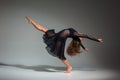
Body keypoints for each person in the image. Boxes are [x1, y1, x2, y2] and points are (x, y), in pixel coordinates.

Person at [26, 17, 103, 73]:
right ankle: (32, 22)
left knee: (60, 55)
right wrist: (83, 47)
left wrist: (97, 40)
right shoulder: (76, 35)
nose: (81, 37)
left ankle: (69, 67)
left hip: (61, 39)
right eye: (81, 38)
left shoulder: (76, 35)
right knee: (43, 29)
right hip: (57, 35)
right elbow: (80, 40)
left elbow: (87, 36)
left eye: (81, 38)